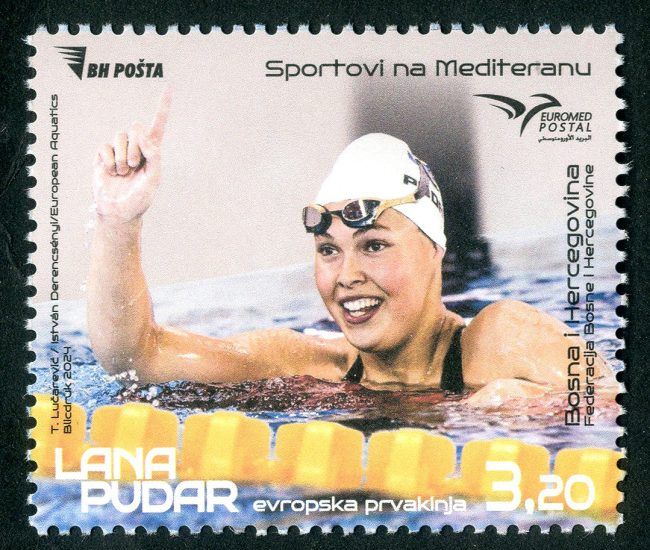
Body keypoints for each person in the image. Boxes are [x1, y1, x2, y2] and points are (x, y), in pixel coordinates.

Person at [88, 91, 611, 406]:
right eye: (328, 250)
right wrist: (118, 222)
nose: (346, 275)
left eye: (374, 244)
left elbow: (618, 409)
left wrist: (539, 405)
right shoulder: (299, 362)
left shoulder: (505, 339)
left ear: (435, 250)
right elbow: (136, 358)